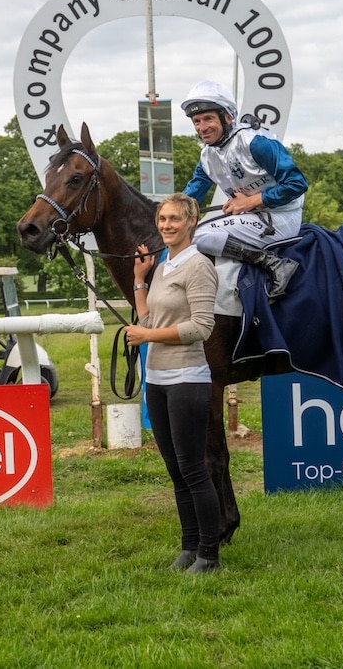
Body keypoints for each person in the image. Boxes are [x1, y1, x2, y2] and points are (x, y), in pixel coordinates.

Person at [123, 192, 222, 573]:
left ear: (191, 222)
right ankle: (188, 546)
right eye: (162, 218)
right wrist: (139, 280)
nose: (166, 225)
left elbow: (201, 326)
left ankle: (209, 555)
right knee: (175, 468)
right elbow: (150, 323)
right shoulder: (164, 266)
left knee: (193, 468)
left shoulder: (198, 266)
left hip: (187, 379)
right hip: (159, 380)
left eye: (174, 219)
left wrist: (147, 339)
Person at [181, 80, 308, 301]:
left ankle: (276, 265)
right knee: (182, 228)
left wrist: (251, 201)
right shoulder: (207, 156)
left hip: (281, 217)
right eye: (197, 121)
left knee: (194, 235)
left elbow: (297, 184)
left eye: (209, 119)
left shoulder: (256, 142)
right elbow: (189, 197)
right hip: (252, 218)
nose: (202, 127)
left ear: (228, 117)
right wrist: (161, 214)